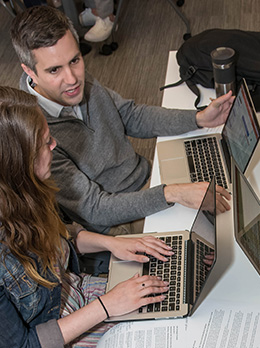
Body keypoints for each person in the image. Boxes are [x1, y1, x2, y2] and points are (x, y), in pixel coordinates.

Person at [0, 86, 174, 348]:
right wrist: (107, 307)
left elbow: (61, 237)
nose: (54, 148)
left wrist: (113, 243)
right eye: (45, 145)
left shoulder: (24, 192)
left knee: (165, 306)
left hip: (71, 294)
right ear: (17, 163)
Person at [10, 6, 232, 236]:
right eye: (54, 70)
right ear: (30, 72)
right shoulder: (35, 135)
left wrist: (198, 118)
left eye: (75, 60)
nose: (72, 78)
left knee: (226, 187)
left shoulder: (72, 82)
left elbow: (131, 115)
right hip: (118, 221)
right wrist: (172, 194)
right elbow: (95, 208)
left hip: (148, 180)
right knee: (215, 239)